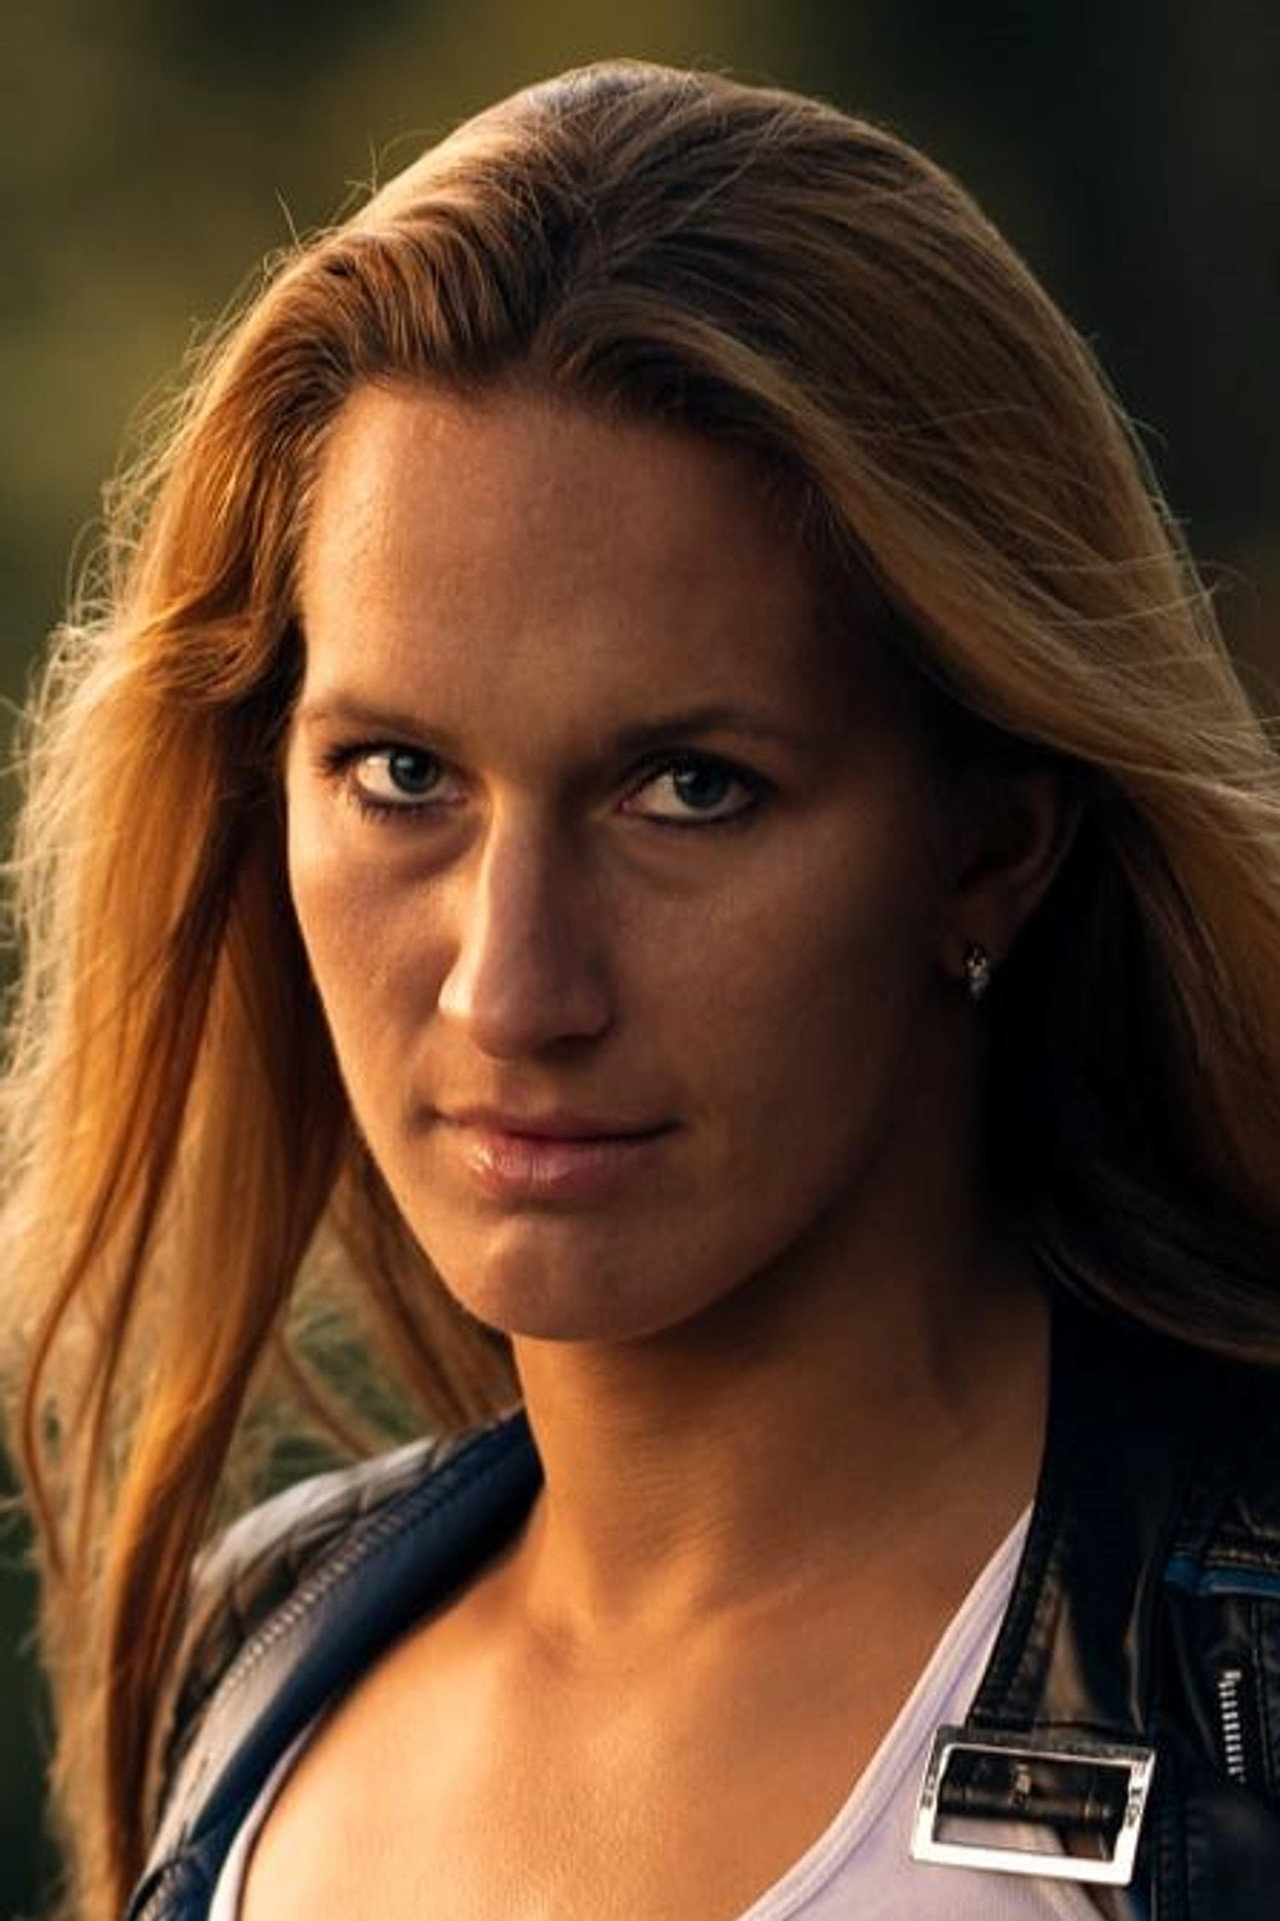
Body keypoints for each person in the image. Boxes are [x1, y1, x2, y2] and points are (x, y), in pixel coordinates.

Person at [3, 56, 1279, 1921]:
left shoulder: (1240, 1704)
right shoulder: (265, 1656)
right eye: (401, 775)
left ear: (991, 842)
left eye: (690, 789)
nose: (512, 990)